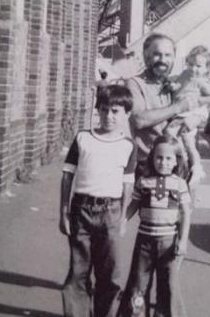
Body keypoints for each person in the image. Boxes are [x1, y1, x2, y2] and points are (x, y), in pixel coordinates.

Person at [60, 85, 137, 317]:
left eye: (115, 111)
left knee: (109, 273)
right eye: (104, 110)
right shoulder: (83, 138)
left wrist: (123, 217)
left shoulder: (127, 146)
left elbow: (127, 185)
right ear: (98, 110)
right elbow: (67, 175)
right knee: (78, 270)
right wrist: (63, 211)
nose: (109, 116)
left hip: (110, 212)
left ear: (127, 114)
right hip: (81, 210)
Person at [119, 136, 191, 317]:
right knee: (139, 283)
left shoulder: (180, 184)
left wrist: (182, 241)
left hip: (168, 243)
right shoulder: (144, 181)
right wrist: (122, 220)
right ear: (152, 158)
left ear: (176, 161)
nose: (163, 162)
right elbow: (134, 205)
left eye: (168, 158)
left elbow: (185, 214)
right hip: (144, 241)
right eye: (159, 157)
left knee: (167, 286)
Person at [125, 33, 198, 180]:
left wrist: (195, 118)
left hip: (177, 166)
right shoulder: (135, 83)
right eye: (157, 54)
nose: (163, 60)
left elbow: (196, 113)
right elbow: (139, 119)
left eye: (168, 55)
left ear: (174, 58)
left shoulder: (177, 85)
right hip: (147, 166)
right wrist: (177, 107)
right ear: (146, 56)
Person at [165, 45, 210, 185]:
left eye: (199, 66)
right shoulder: (184, 74)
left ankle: (197, 167)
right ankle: (182, 164)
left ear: (207, 69)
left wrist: (196, 100)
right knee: (171, 135)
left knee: (187, 139)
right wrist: (173, 87)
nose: (194, 69)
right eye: (191, 64)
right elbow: (178, 86)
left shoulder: (202, 81)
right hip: (182, 113)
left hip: (195, 112)